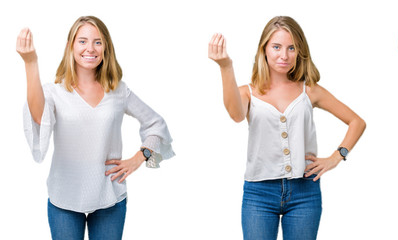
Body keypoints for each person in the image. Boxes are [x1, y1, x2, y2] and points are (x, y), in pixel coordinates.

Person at [17, 16, 175, 240]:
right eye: (82, 41)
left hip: (109, 197)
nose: (90, 48)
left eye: (97, 42)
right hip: (64, 197)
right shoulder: (55, 92)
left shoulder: (118, 90)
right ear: (71, 46)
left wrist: (141, 158)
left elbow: (157, 125)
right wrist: (30, 62)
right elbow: (37, 117)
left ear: (105, 48)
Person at [209, 16, 365, 240]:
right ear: (264, 49)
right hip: (259, 194)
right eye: (277, 47)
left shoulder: (309, 90)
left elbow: (357, 122)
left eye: (291, 48)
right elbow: (235, 115)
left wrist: (335, 157)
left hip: (305, 193)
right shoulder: (247, 93)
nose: (284, 55)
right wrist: (226, 67)